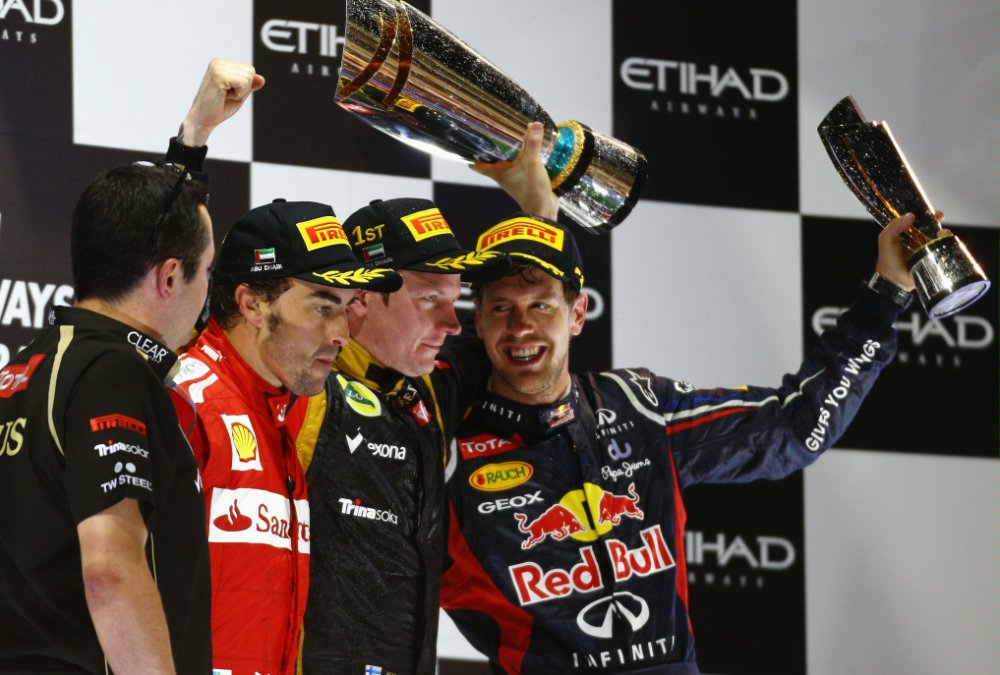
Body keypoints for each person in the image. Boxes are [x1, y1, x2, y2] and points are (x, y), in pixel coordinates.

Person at [438, 209, 921, 674]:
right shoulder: (444, 447)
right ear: (477, 322)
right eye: (501, 308)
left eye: (541, 305)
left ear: (578, 313)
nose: (520, 327)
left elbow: (794, 427)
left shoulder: (637, 405)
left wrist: (886, 294)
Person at [0, 57, 262, 673]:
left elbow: (148, 227)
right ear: (171, 275)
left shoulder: (30, 367)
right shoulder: (110, 372)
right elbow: (112, 569)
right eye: (207, 271)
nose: (209, 295)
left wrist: (190, 142)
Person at [170, 198, 403, 675]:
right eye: (322, 306)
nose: (342, 332)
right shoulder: (184, 401)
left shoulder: (287, 410)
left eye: (344, 308)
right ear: (252, 303)